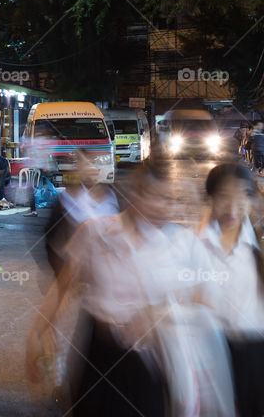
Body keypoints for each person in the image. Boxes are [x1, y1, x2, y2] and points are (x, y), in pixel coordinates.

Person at [26, 162, 224, 416]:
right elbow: (63, 286)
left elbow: (208, 305)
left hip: (154, 360)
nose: (167, 207)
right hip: (97, 352)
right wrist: (37, 333)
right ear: (135, 193)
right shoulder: (96, 233)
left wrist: (163, 313)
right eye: (158, 197)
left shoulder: (185, 244)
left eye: (173, 199)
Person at [197, 162, 264, 417]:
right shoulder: (195, 244)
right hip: (210, 355)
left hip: (255, 354)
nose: (233, 209)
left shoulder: (257, 247)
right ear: (210, 199)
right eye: (224, 198)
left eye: (241, 198)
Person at [42, 150, 119, 275]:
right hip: (78, 277)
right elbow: (54, 246)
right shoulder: (65, 202)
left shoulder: (112, 198)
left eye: (95, 163)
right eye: (87, 164)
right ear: (78, 169)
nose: (92, 168)